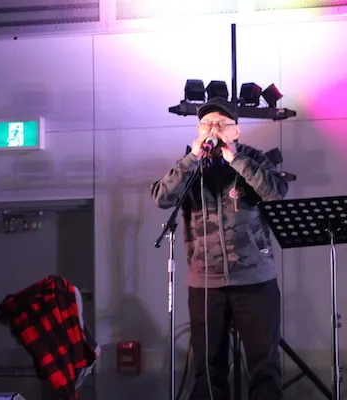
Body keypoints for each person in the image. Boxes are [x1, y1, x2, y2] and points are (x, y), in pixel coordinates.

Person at [151, 96, 288, 400]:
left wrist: (235, 159)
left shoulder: (252, 158)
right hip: (205, 283)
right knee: (208, 371)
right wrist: (192, 159)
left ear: (236, 131)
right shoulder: (189, 165)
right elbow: (161, 198)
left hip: (255, 281)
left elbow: (275, 192)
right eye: (206, 124)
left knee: (264, 368)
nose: (212, 129)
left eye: (220, 124)